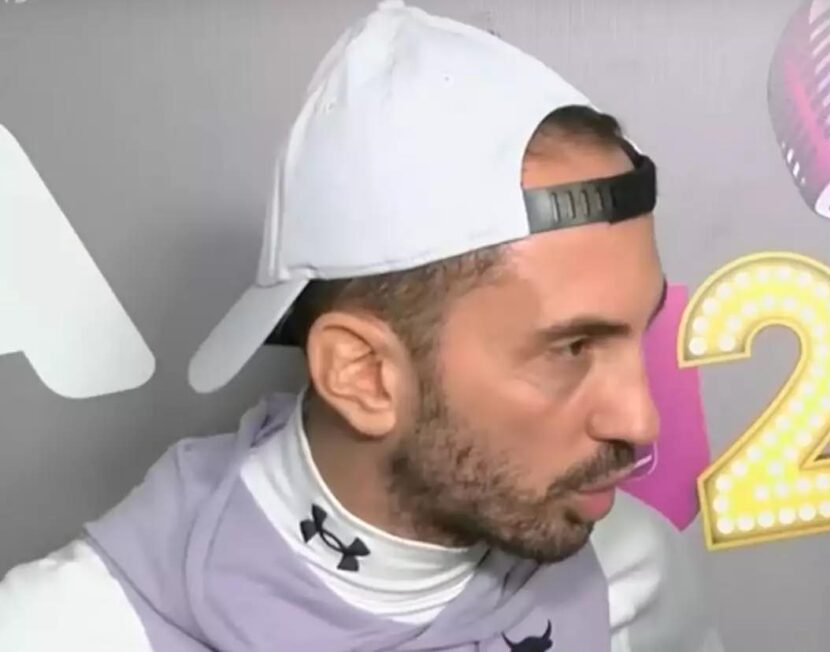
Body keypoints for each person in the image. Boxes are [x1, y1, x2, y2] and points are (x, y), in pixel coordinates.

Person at [0, 2, 723, 650]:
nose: (641, 421)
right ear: (364, 375)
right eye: (571, 348)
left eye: (639, 330)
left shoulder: (628, 571)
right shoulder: (65, 631)